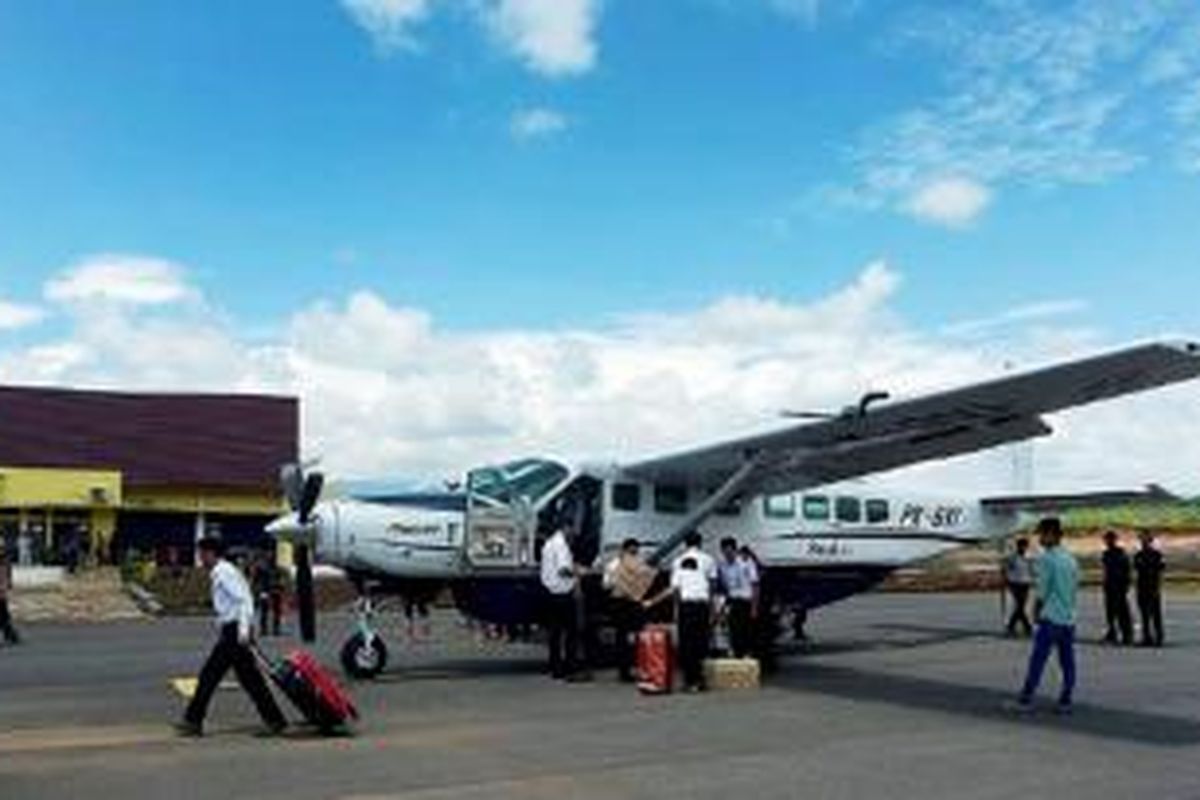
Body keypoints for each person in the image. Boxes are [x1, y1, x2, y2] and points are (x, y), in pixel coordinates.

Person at [176, 537, 287, 737]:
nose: (200, 558)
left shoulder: (223, 572)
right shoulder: (222, 571)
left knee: (209, 676)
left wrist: (243, 631)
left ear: (211, 553)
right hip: (233, 631)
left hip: (235, 632)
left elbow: (244, 601)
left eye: (202, 553)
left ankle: (193, 721)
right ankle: (275, 720)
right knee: (250, 680)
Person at [1009, 517, 1079, 714]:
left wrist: (1036, 611)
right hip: (1068, 618)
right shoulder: (1070, 559)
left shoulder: (1046, 558)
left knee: (1038, 660)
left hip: (1050, 617)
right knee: (1067, 661)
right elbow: (1073, 589)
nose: (1039, 538)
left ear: (1052, 535)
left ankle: (1026, 699)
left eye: (1042, 534)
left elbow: (1042, 591)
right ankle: (1065, 700)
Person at [645, 530, 717, 692]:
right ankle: (699, 680)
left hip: (686, 607)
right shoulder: (709, 560)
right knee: (700, 643)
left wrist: (659, 604)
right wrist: (712, 609)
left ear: (685, 544)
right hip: (702, 606)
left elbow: (674, 590)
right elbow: (712, 586)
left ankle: (689, 681)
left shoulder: (677, 562)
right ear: (700, 543)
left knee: (686, 644)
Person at [602, 537, 653, 682]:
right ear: (624, 550)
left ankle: (639, 667)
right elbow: (606, 585)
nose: (634, 555)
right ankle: (624, 671)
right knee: (622, 637)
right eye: (632, 552)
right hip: (620, 602)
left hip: (634, 602)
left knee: (637, 636)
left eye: (636, 553)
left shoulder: (638, 564)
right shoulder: (613, 565)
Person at [540, 522, 582, 680]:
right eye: (572, 529)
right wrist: (579, 571)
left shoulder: (549, 543)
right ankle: (569, 668)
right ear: (566, 528)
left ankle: (555, 667)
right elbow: (564, 570)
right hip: (562, 594)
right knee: (571, 633)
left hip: (550, 593)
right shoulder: (561, 545)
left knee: (555, 634)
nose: (574, 534)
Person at [717, 537, 759, 659]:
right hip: (733, 601)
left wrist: (754, 608)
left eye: (730, 551)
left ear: (735, 550)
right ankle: (737, 655)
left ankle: (747, 655)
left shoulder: (746, 562)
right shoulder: (722, 565)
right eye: (725, 551)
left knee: (746, 631)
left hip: (746, 601)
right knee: (734, 630)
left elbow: (755, 585)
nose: (727, 554)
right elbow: (724, 586)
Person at [1101, 530, 1133, 645]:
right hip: (1109, 585)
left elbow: (1127, 570)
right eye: (1106, 539)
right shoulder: (1106, 554)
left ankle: (1127, 635)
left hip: (1119, 586)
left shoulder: (1121, 554)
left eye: (1110, 539)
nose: (1108, 541)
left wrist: (1126, 585)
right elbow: (1106, 572)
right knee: (1110, 612)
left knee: (1122, 612)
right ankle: (1112, 632)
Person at [1133, 530, 1165, 647]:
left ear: (1150, 541)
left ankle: (1158, 637)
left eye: (1145, 539)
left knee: (1155, 614)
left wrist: (1158, 586)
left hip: (1152, 586)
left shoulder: (1157, 555)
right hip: (1143, 587)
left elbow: (1160, 571)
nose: (1143, 542)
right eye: (1142, 539)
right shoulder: (1139, 555)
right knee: (1145, 614)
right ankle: (1147, 637)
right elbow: (1137, 570)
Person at [1003, 537, 1035, 637]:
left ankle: (1012, 627)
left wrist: (1033, 579)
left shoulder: (1029, 557)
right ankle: (1027, 628)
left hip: (1025, 583)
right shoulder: (1013, 557)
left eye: (1025, 546)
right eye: (1022, 546)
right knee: (1020, 606)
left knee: (1020, 607)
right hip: (1015, 583)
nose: (1024, 548)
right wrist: (1007, 580)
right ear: (1018, 546)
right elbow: (1007, 569)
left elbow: (1032, 570)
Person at [0, 548, 21, 645]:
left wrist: (6, 587)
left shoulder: (4, 565)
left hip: (1, 593)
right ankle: (11, 635)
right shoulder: (5, 564)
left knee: (4, 616)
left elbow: (6, 578)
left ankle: (11, 635)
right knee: (4, 616)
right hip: (2, 593)